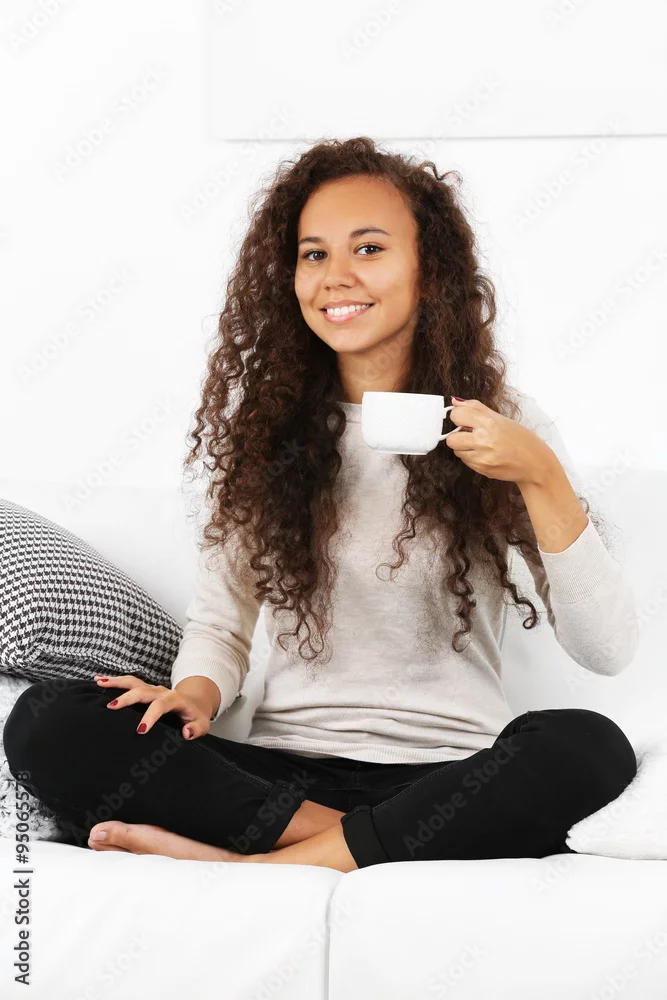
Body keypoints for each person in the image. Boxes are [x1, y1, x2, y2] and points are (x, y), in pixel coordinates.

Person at [4, 136, 638, 871]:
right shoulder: (265, 430)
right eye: (313, 254)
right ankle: (356, 843)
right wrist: (194, 697)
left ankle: (257, 869)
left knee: (589, 745)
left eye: (368, 248)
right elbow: (222, 622)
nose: (336, 276)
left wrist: (541, 477)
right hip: (278, 775)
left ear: (430, 271)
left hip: (446, 775)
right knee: (47, 720)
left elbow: (606, 651)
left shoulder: (504, 422)